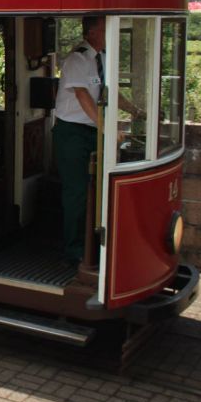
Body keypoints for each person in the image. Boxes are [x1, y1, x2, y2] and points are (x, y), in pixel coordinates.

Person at [53, 16, 143, 264]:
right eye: (106, 28)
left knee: (97, 189)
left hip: (91, 132)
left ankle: (93, 243)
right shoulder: (77, 59)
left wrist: (136, 111)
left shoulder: (101, 58)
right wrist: (107, 129)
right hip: (72, 133)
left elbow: (108, 92)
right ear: (92, 31)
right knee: (77, 192)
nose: (110, 34)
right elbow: (83, 96)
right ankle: (74, 249)